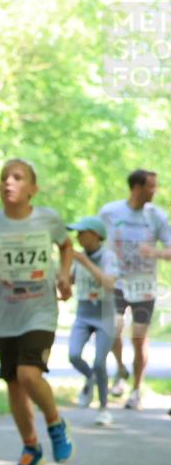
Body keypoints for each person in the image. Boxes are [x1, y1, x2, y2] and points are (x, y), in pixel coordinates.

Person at [0, 159, 75, 465]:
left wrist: (64, 276)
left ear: (32, 189)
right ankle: (31, 448)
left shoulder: (48, 219)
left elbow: (67, 247)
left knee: (28, 373)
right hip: (7, 315)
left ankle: (55, 424)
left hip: (41, 311)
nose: (8, 182)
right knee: (14, 384)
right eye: (3, 178)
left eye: (17, 177)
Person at [99, 169, 171, 410]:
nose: (154, 191)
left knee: (139, 338)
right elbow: (94, 240)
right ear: (137, 188)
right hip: (117, 282)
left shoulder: (157, 217)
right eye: (151, 186)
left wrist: (155, 252)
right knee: (113, 329)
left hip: (144, 285)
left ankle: (137, 389)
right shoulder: (110, 212)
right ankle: (121, 370)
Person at [66, 217, 119, 426]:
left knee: (99, 363)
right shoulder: (77, 258)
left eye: (81, 232)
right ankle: (90, 378)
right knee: (73, 355)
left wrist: (84, 262)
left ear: (95, 235)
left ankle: (104, 408)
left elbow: (108, 283)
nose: (77, 236)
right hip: (83, 313)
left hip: (104, 315)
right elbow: (69, 280)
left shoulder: (108, 256)